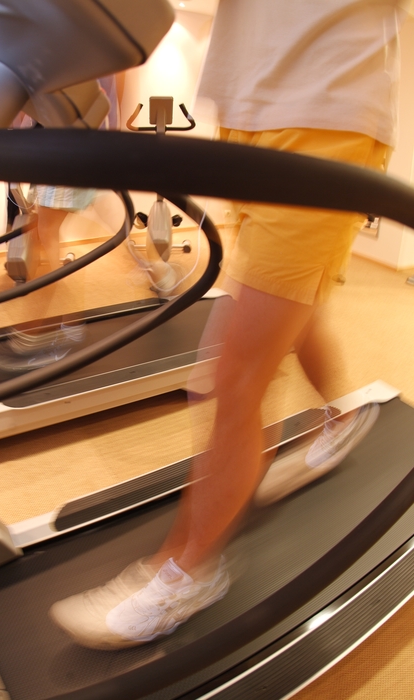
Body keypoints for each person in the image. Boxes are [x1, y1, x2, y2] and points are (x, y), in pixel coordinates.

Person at [49, 0, 411, 648]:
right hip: (243, 119)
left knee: (226, 380)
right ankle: (343, 417)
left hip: (326, 122)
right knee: (294, 314)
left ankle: (189, 571)